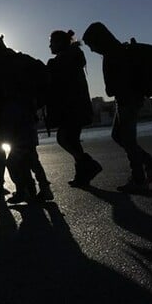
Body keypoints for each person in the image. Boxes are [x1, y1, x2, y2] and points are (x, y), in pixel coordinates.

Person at [82, 22, 152, 192]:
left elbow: (111, 89)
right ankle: (150, 164)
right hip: (131, 100)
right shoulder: (121, 50)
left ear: (99, 41)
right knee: (119, 136)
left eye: (91, 45)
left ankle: (139, 179)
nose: (91, 50)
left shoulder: (112, 55)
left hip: (127, 101)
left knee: (127, 140)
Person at [0, 33, 50, 203]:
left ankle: (26, 190)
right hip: (22, 115)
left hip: (8, 119)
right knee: (29, 155)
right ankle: (38, 189)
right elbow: (43, 72)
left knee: (16, 159)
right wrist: (36, 101)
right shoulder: (19, 58)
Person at [46, 30, 102, 187]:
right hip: (74, 107)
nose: (50, 45)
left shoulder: (67, 58)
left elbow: (60, 79)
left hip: (73, 107)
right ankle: (82, 175)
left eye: (52, 42)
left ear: (60, 43)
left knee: (64, 138)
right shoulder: (70, 56)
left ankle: (88, 165)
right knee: (72, 140)